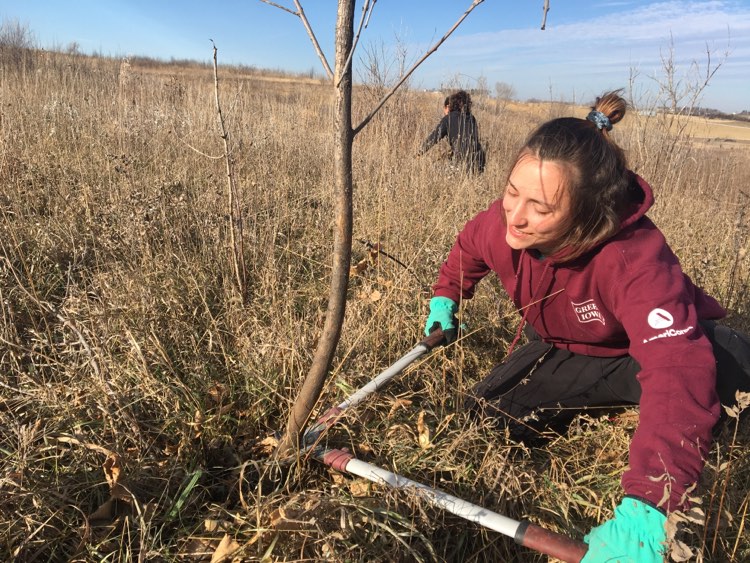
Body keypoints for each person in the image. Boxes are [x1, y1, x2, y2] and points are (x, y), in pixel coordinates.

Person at [423, 91, 750, 562]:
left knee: (720, 376)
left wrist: (652, 505)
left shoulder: (633, 256)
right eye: (512, 192)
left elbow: (675, 366)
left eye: (540, 206)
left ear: (586, 212)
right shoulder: (504, 223)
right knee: (483, 418)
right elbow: (469, 247)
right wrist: (446, 297)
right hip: (569, 347)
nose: (516, 215)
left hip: (646, 348)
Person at [420, 90, 486, 174]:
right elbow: (471, 140)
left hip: (462, 164)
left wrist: (419, 153)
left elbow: (433, 138)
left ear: (449, 106)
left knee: (433, 171)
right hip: (479, 161)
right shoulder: (471, 118)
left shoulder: (448, 119)